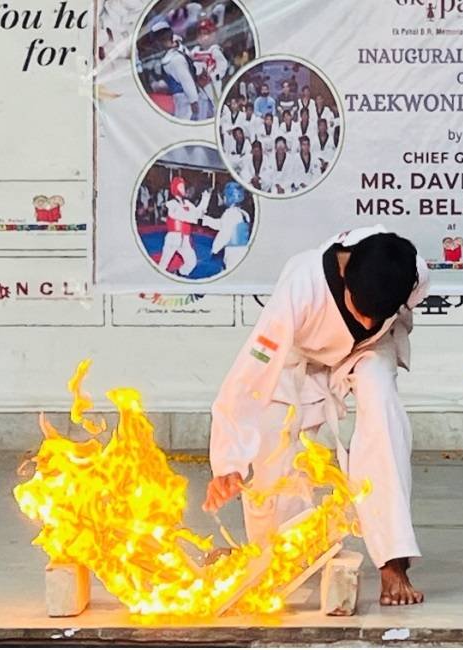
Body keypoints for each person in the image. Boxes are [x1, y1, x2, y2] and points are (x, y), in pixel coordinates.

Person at [203, 226, 430, 607]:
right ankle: (275, 552)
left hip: (366, 353)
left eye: (378, 315)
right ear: (345, 276)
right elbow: (249, 376)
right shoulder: (301, 288)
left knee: (382, 408)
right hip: (299, 359)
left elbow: (382, 324)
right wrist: (228, 462)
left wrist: (375, 330)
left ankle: (393, 560)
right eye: (361, 311)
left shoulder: (414, 274)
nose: (368, 321)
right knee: (271, 442)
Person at [152, 22, 207, 121]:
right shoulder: (175, 52)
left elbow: (186, 80)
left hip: (186, 99)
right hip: (183, 97)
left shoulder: (174, 59)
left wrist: (193, 101)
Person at [159, 175, 211, 277]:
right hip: (173, 237)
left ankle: (178, 274)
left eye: (183, 186)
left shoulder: (187, 203)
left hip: (185, 238)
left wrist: (205, 198)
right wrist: (193, 218)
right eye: (180, 186)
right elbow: (182, 215)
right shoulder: (171, 204)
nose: (183, 189)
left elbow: (197, 214)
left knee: (191, 261)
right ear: (175, 188)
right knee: (163, 264)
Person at [201, 182, 252, 271]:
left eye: (223, 195)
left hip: (233, 252)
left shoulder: (230, 213)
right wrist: (205, 219)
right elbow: (222, 224)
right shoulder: (243, 213)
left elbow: (225, 233)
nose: (222, 198)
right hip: (242, 250)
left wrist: (215, 248)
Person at [191, 19, 229, 112]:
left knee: (216, 103)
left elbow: (223, 67)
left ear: (213, 35)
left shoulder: (214, 50)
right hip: (198, 82)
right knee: (201, 103)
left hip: (212, 82)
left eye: (206, 33)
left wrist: (212, 77)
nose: (203, 37)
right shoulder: (195, 50)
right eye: (200, 34)